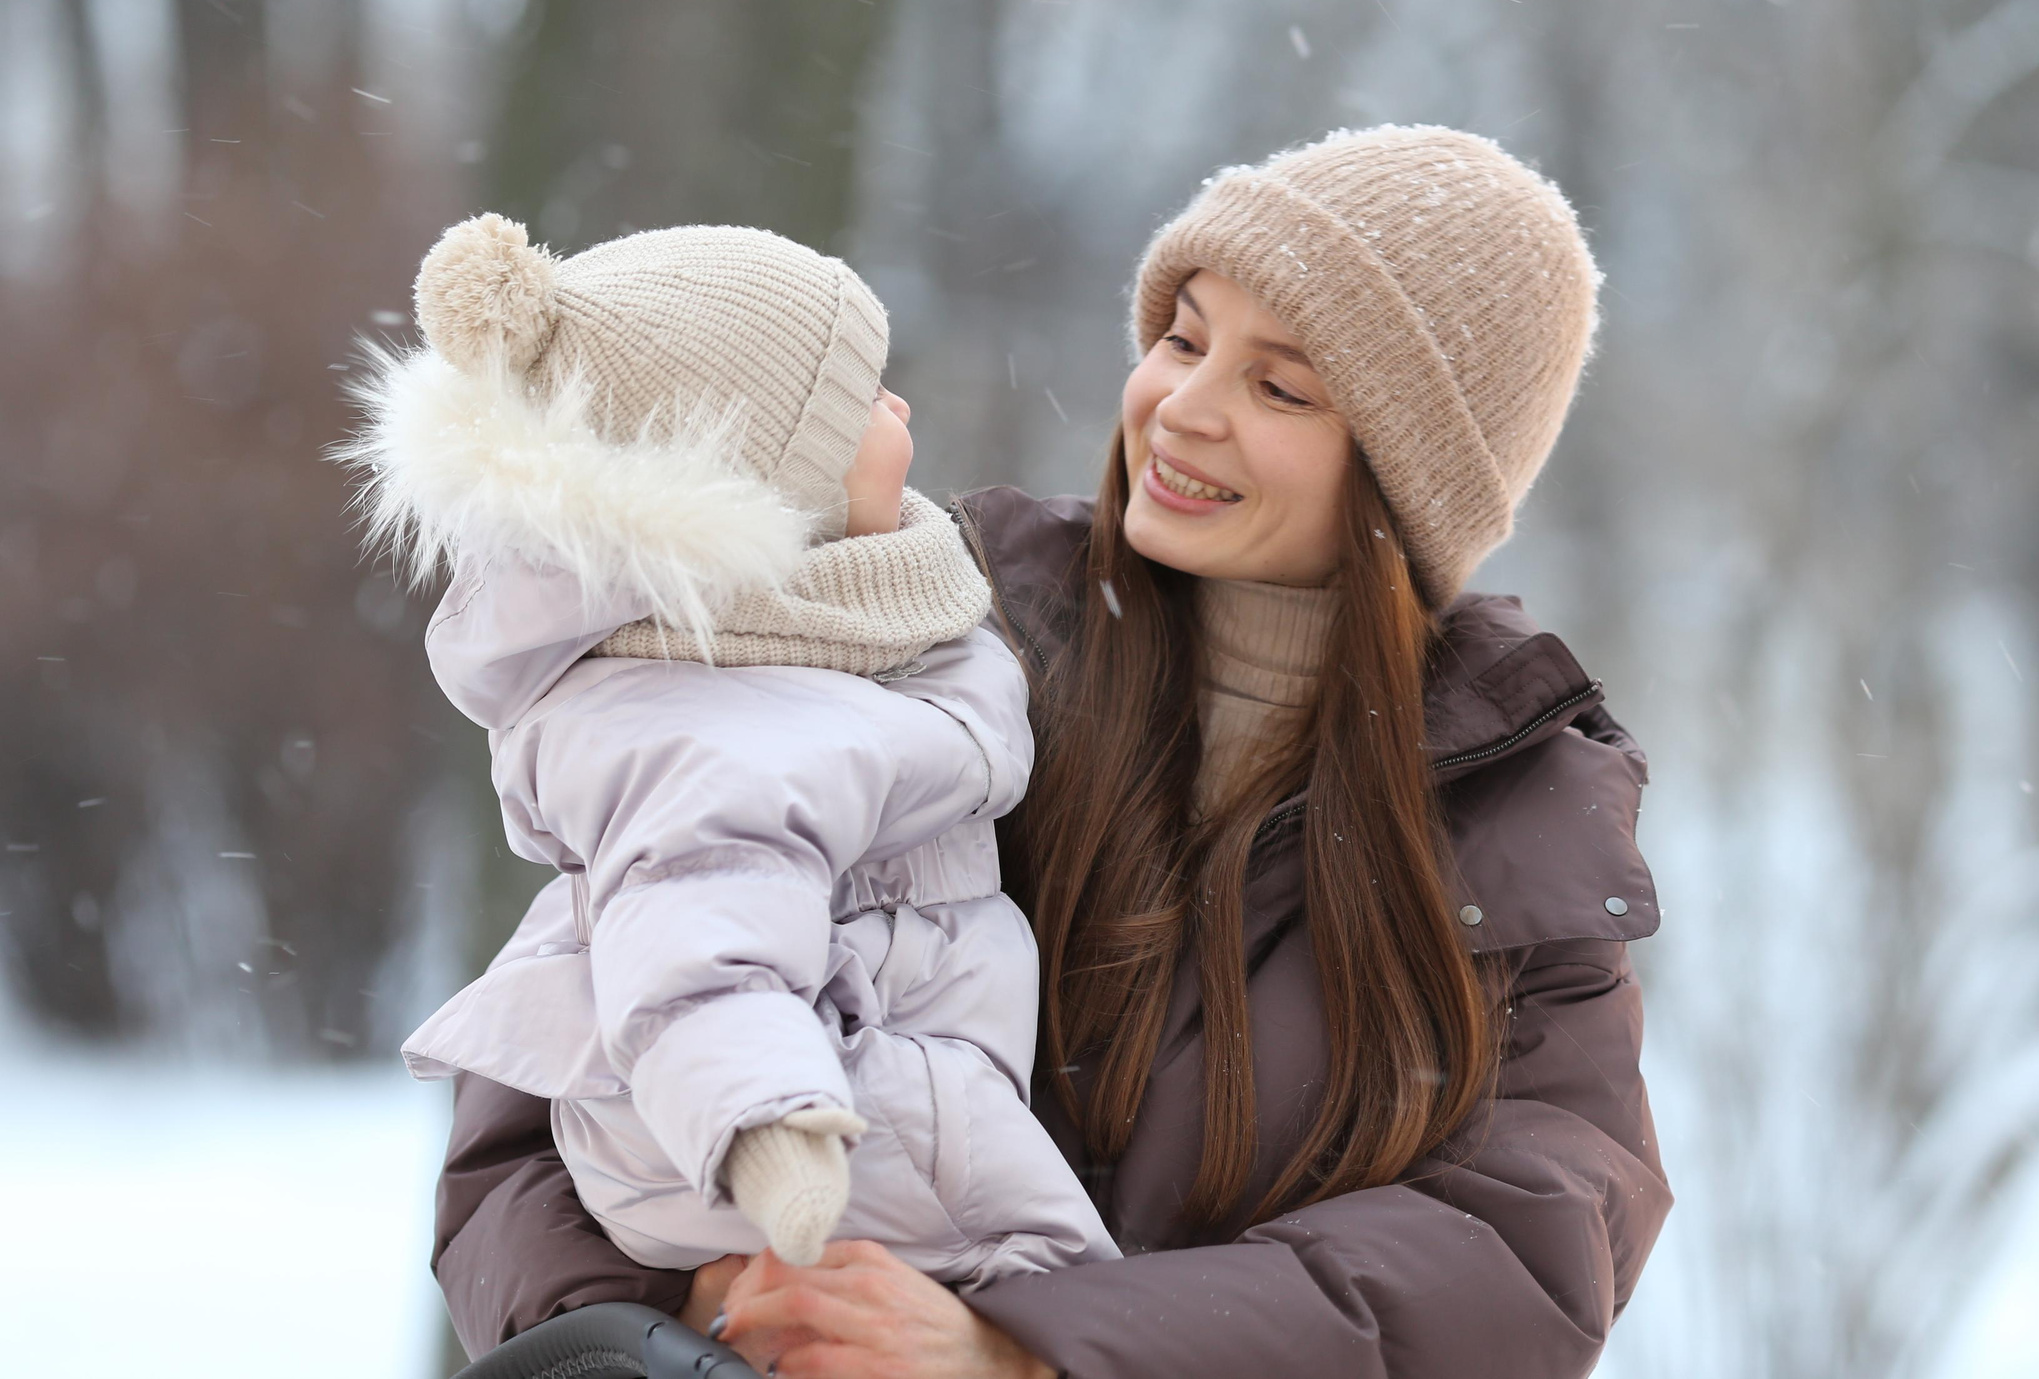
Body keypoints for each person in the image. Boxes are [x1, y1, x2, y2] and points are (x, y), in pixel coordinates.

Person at [430, 126, 1670, 1379]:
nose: (1183, 408)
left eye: (1280, 389)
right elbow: (544, 1091)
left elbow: (1524, 1250)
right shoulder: (921, 643)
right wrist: (686, 1312)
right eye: (1182, 339)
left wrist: (1024, 1353)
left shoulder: (1515, 815)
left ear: (1413, 479)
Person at [348, 215, 1117, 1284]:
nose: (900, 411)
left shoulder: (794, 655)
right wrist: (770, 1125)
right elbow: (700, 938)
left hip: (843, 1086)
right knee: (1067, 1293)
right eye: (864, 401)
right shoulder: (709, 723)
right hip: (808, 1133)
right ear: (774, 486)